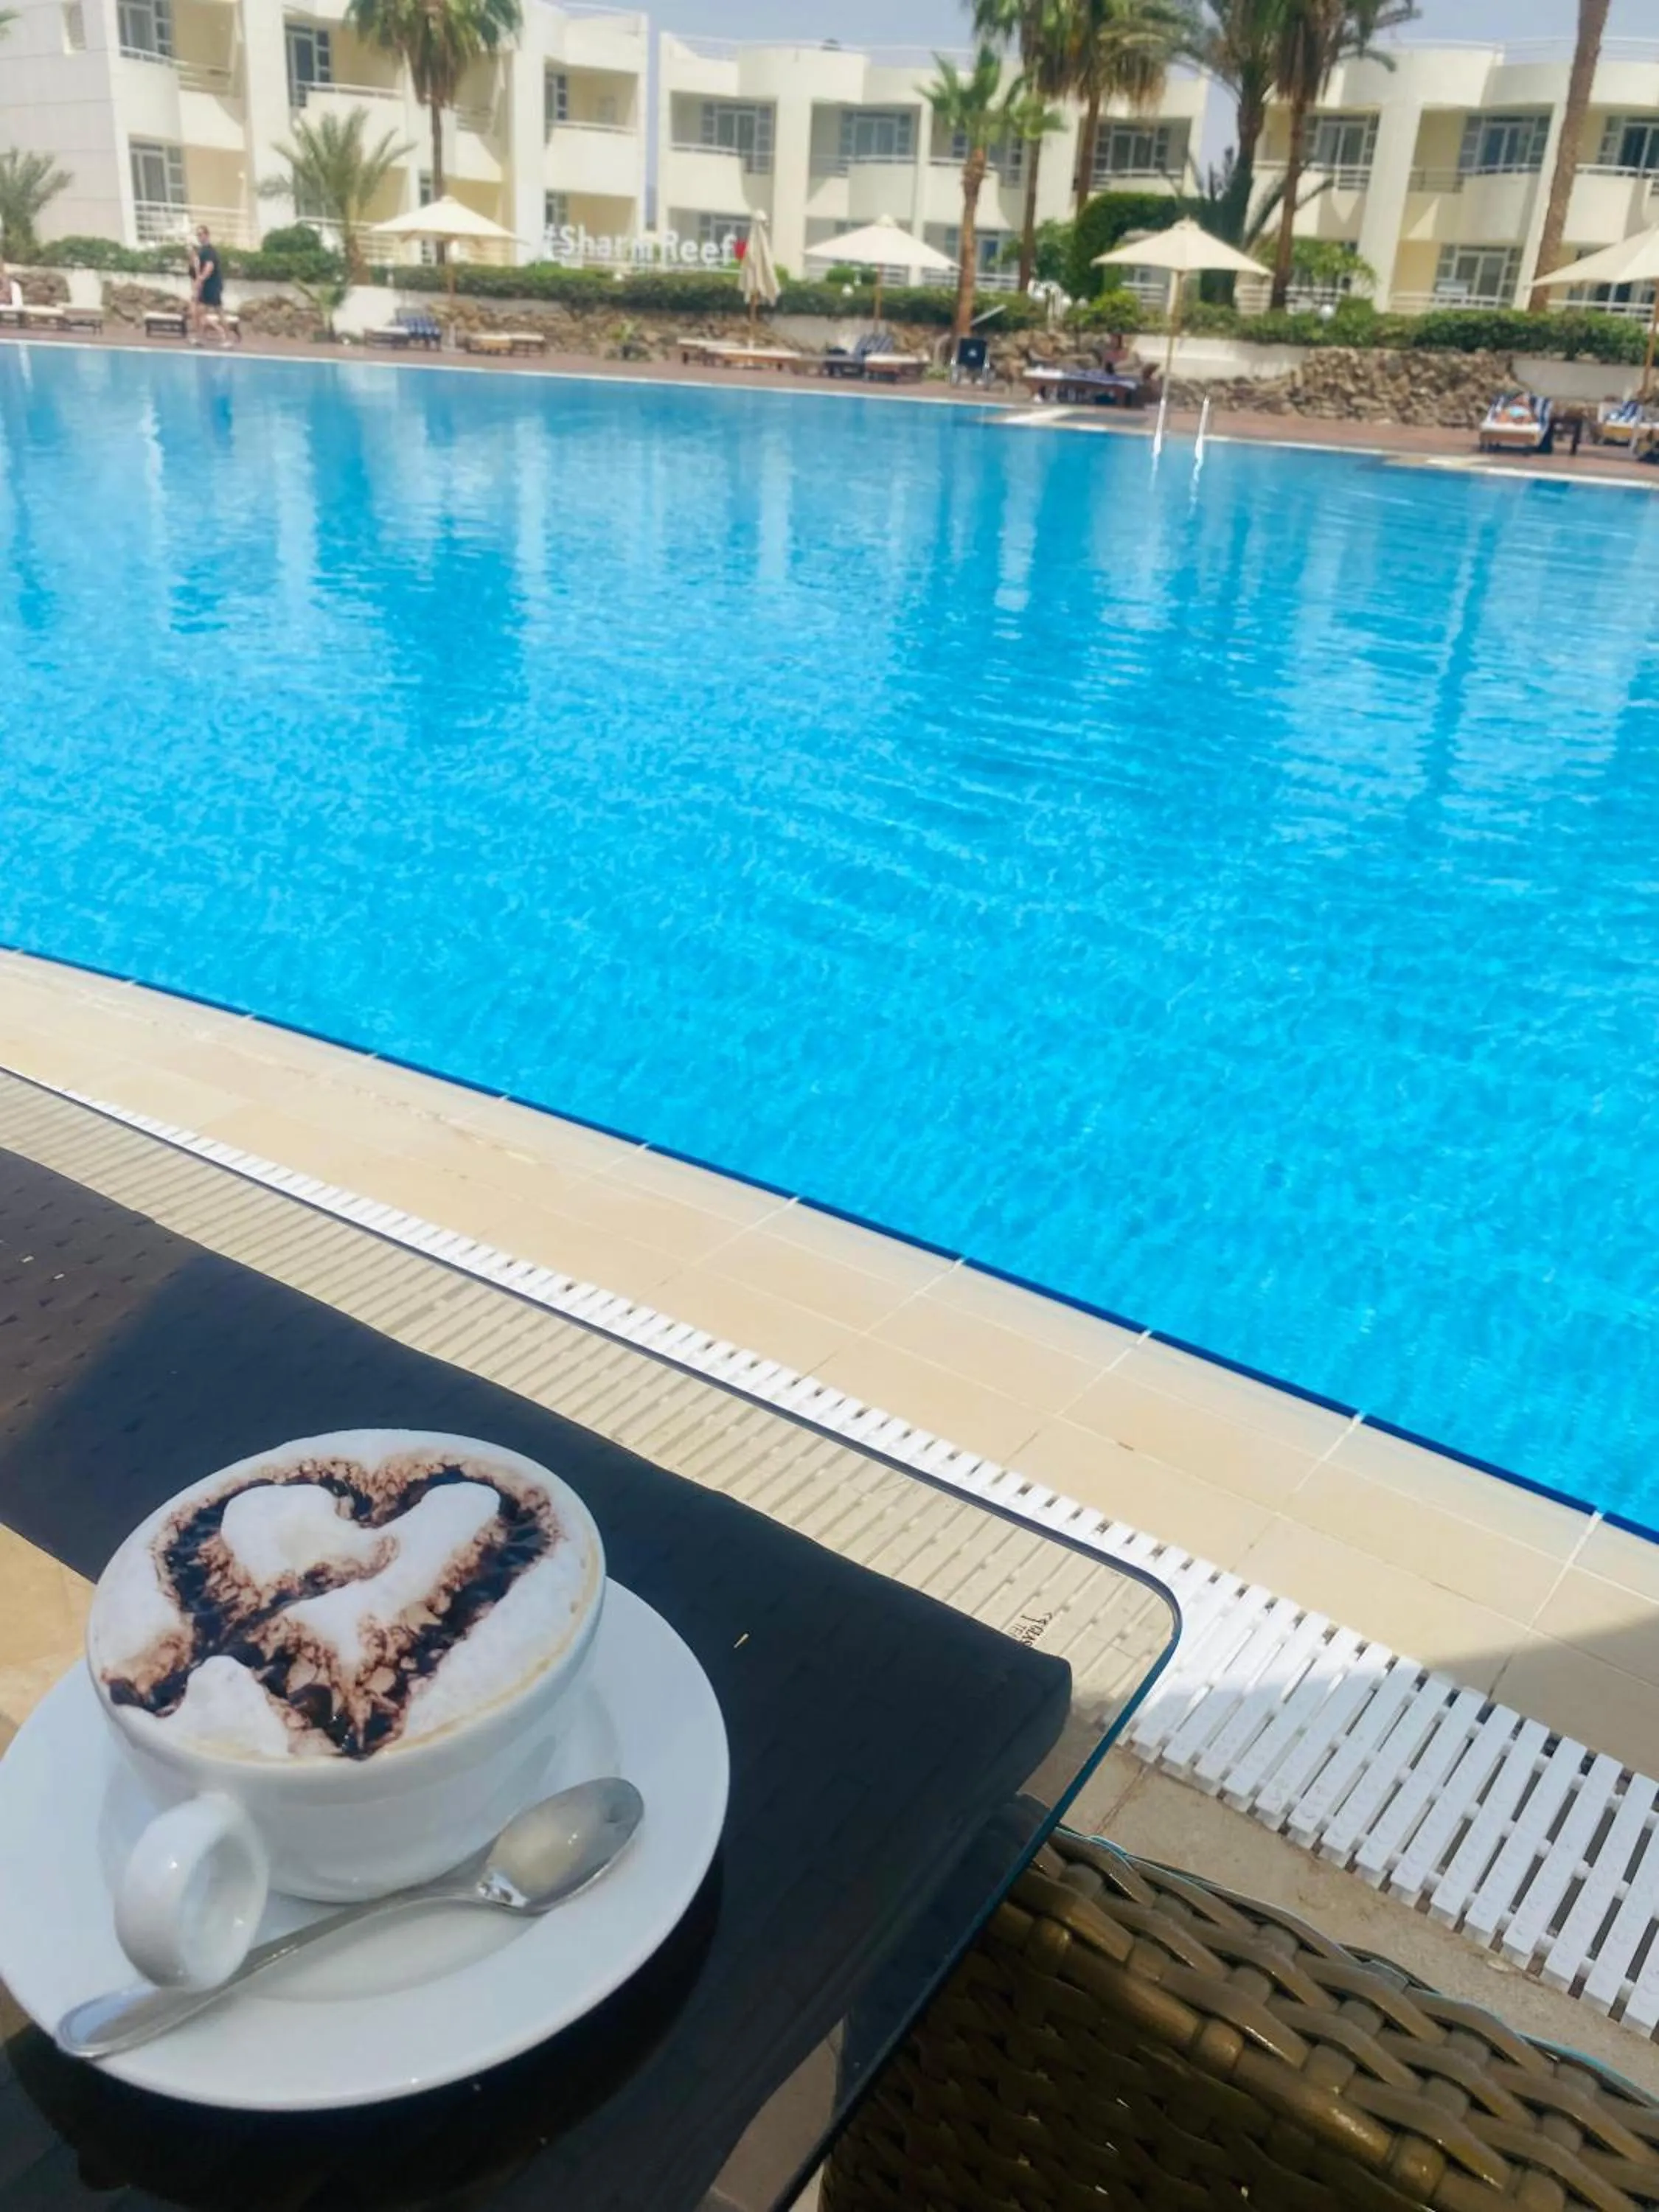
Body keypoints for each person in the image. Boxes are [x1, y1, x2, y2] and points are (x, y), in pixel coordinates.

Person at [189, 226, 237, 349]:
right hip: (206, 286)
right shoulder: (202, 251)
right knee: (200, 311)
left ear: (207, 235)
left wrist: (200, 280)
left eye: (201, 234)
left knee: (219, 311)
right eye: (198, 235)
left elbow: (209, 267)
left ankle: (225, 337)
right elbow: (197, 266)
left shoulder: (210, 251)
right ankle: (200, 337)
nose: (199, 237)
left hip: (213, 285)